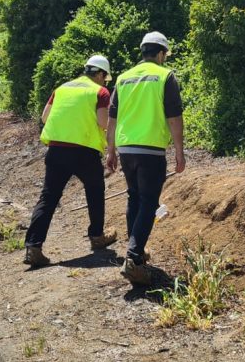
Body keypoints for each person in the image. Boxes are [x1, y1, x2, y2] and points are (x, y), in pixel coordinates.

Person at [105, 32, 185, 285]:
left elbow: (112, 118)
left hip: (126, 147)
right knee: (149, 201)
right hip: (150, 148)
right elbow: (173, 117)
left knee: (134, 197)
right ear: (161, 53)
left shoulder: (123, 78)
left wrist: (110, 150)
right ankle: (134, 257)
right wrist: (179, 150)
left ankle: (134, 249)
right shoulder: (164, 76)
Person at [23, 55, 119, 267]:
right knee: (95, 191)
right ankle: (96, 236)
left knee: (48, 197)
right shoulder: (100, 92)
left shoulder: (62, 88)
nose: (105, 82)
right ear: (101, 74)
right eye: (105, 78)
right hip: (85, 152)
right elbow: (104, 122)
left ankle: (33, 246)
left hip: (56, 151)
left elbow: (45, 117)